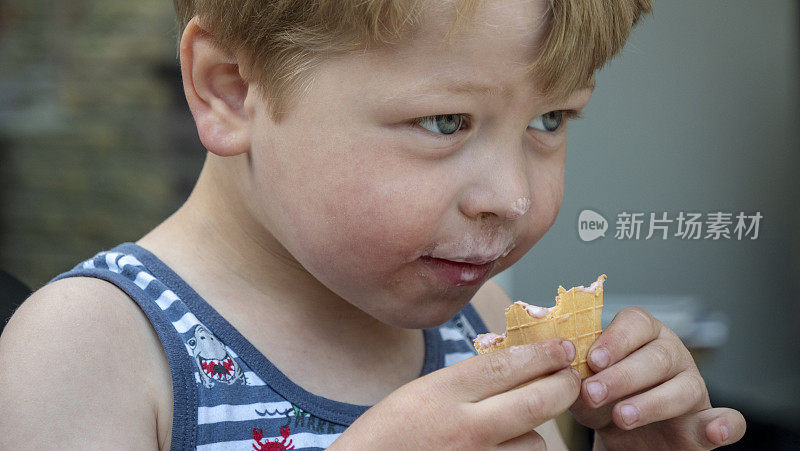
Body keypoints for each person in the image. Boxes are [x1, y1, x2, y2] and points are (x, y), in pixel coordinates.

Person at [0, 0, 746, 449]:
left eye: (551, 118)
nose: (512, 197)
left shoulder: (479, 323)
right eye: (444, 120)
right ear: (230, 90)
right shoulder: (90, 352)